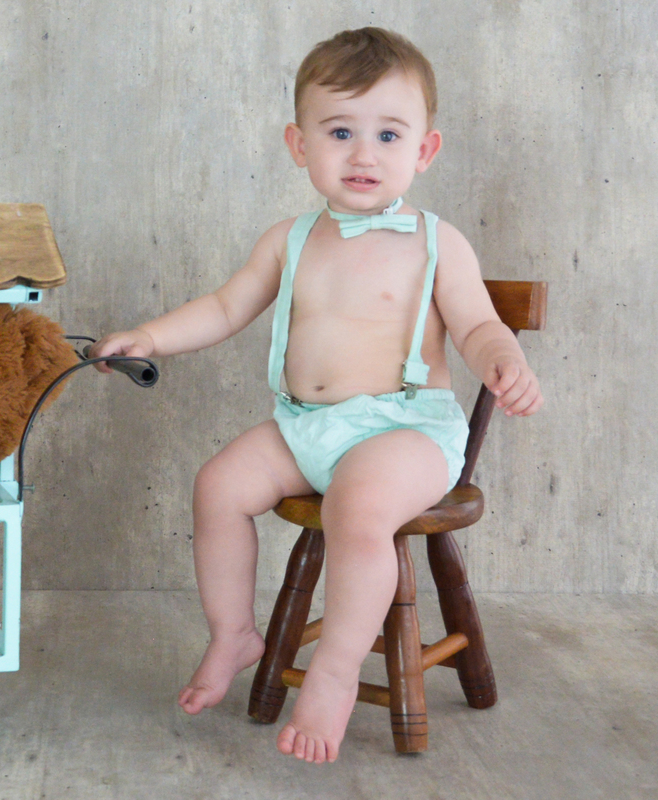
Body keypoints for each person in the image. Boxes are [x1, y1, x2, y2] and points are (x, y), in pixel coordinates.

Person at [89, 27, 542, 764]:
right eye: (340, 131)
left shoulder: (436, 242)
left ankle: (331, 673)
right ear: (300, 145)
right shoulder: (290, 240)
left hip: (406, 432)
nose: (363, 154)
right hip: (307, 427)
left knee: (356, 511)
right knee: (219, 485)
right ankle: (233, 632)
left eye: (388, 134)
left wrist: (503, 361)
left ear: (423, 151)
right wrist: (150, 335)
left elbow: (480, 324)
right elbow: (225, 307)